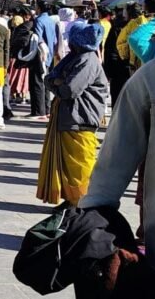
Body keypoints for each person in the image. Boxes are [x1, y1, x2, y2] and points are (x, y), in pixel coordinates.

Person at [79, 56, 155, 271]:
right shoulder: (150, 78)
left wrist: (91, 214)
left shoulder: (150, 76)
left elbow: (113, 162)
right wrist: (91, 221)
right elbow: (114, 161)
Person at [37, 21, 107, 206]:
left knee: (80, 165)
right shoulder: (74, 57)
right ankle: (71, 200)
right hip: (68, 117)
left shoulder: (87, 60)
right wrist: (57, 82)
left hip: (80, 118)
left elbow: (69, 90)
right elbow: (49, 78)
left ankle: (83, 202)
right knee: (68, 166)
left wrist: (58, 83)